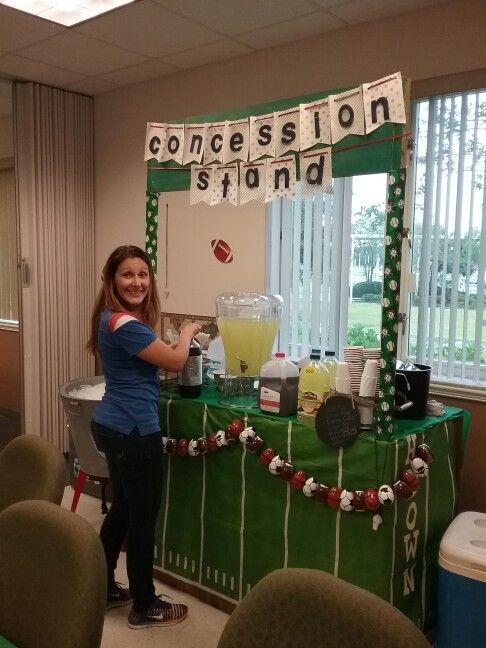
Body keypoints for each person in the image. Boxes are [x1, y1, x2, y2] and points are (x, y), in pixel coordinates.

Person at [87, 245, 200, 630]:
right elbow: (174, 361)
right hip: (135, 430)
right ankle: (145, 604)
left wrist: (172, 345)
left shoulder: (112, 320)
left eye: (143, 274)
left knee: (122, 510)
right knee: (142, 520)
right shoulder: (125, 323)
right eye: (127, 274)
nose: (136, 281)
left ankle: (101, 588)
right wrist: (186, 333)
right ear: (112, 279)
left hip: (112, 425)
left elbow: (153, 357)